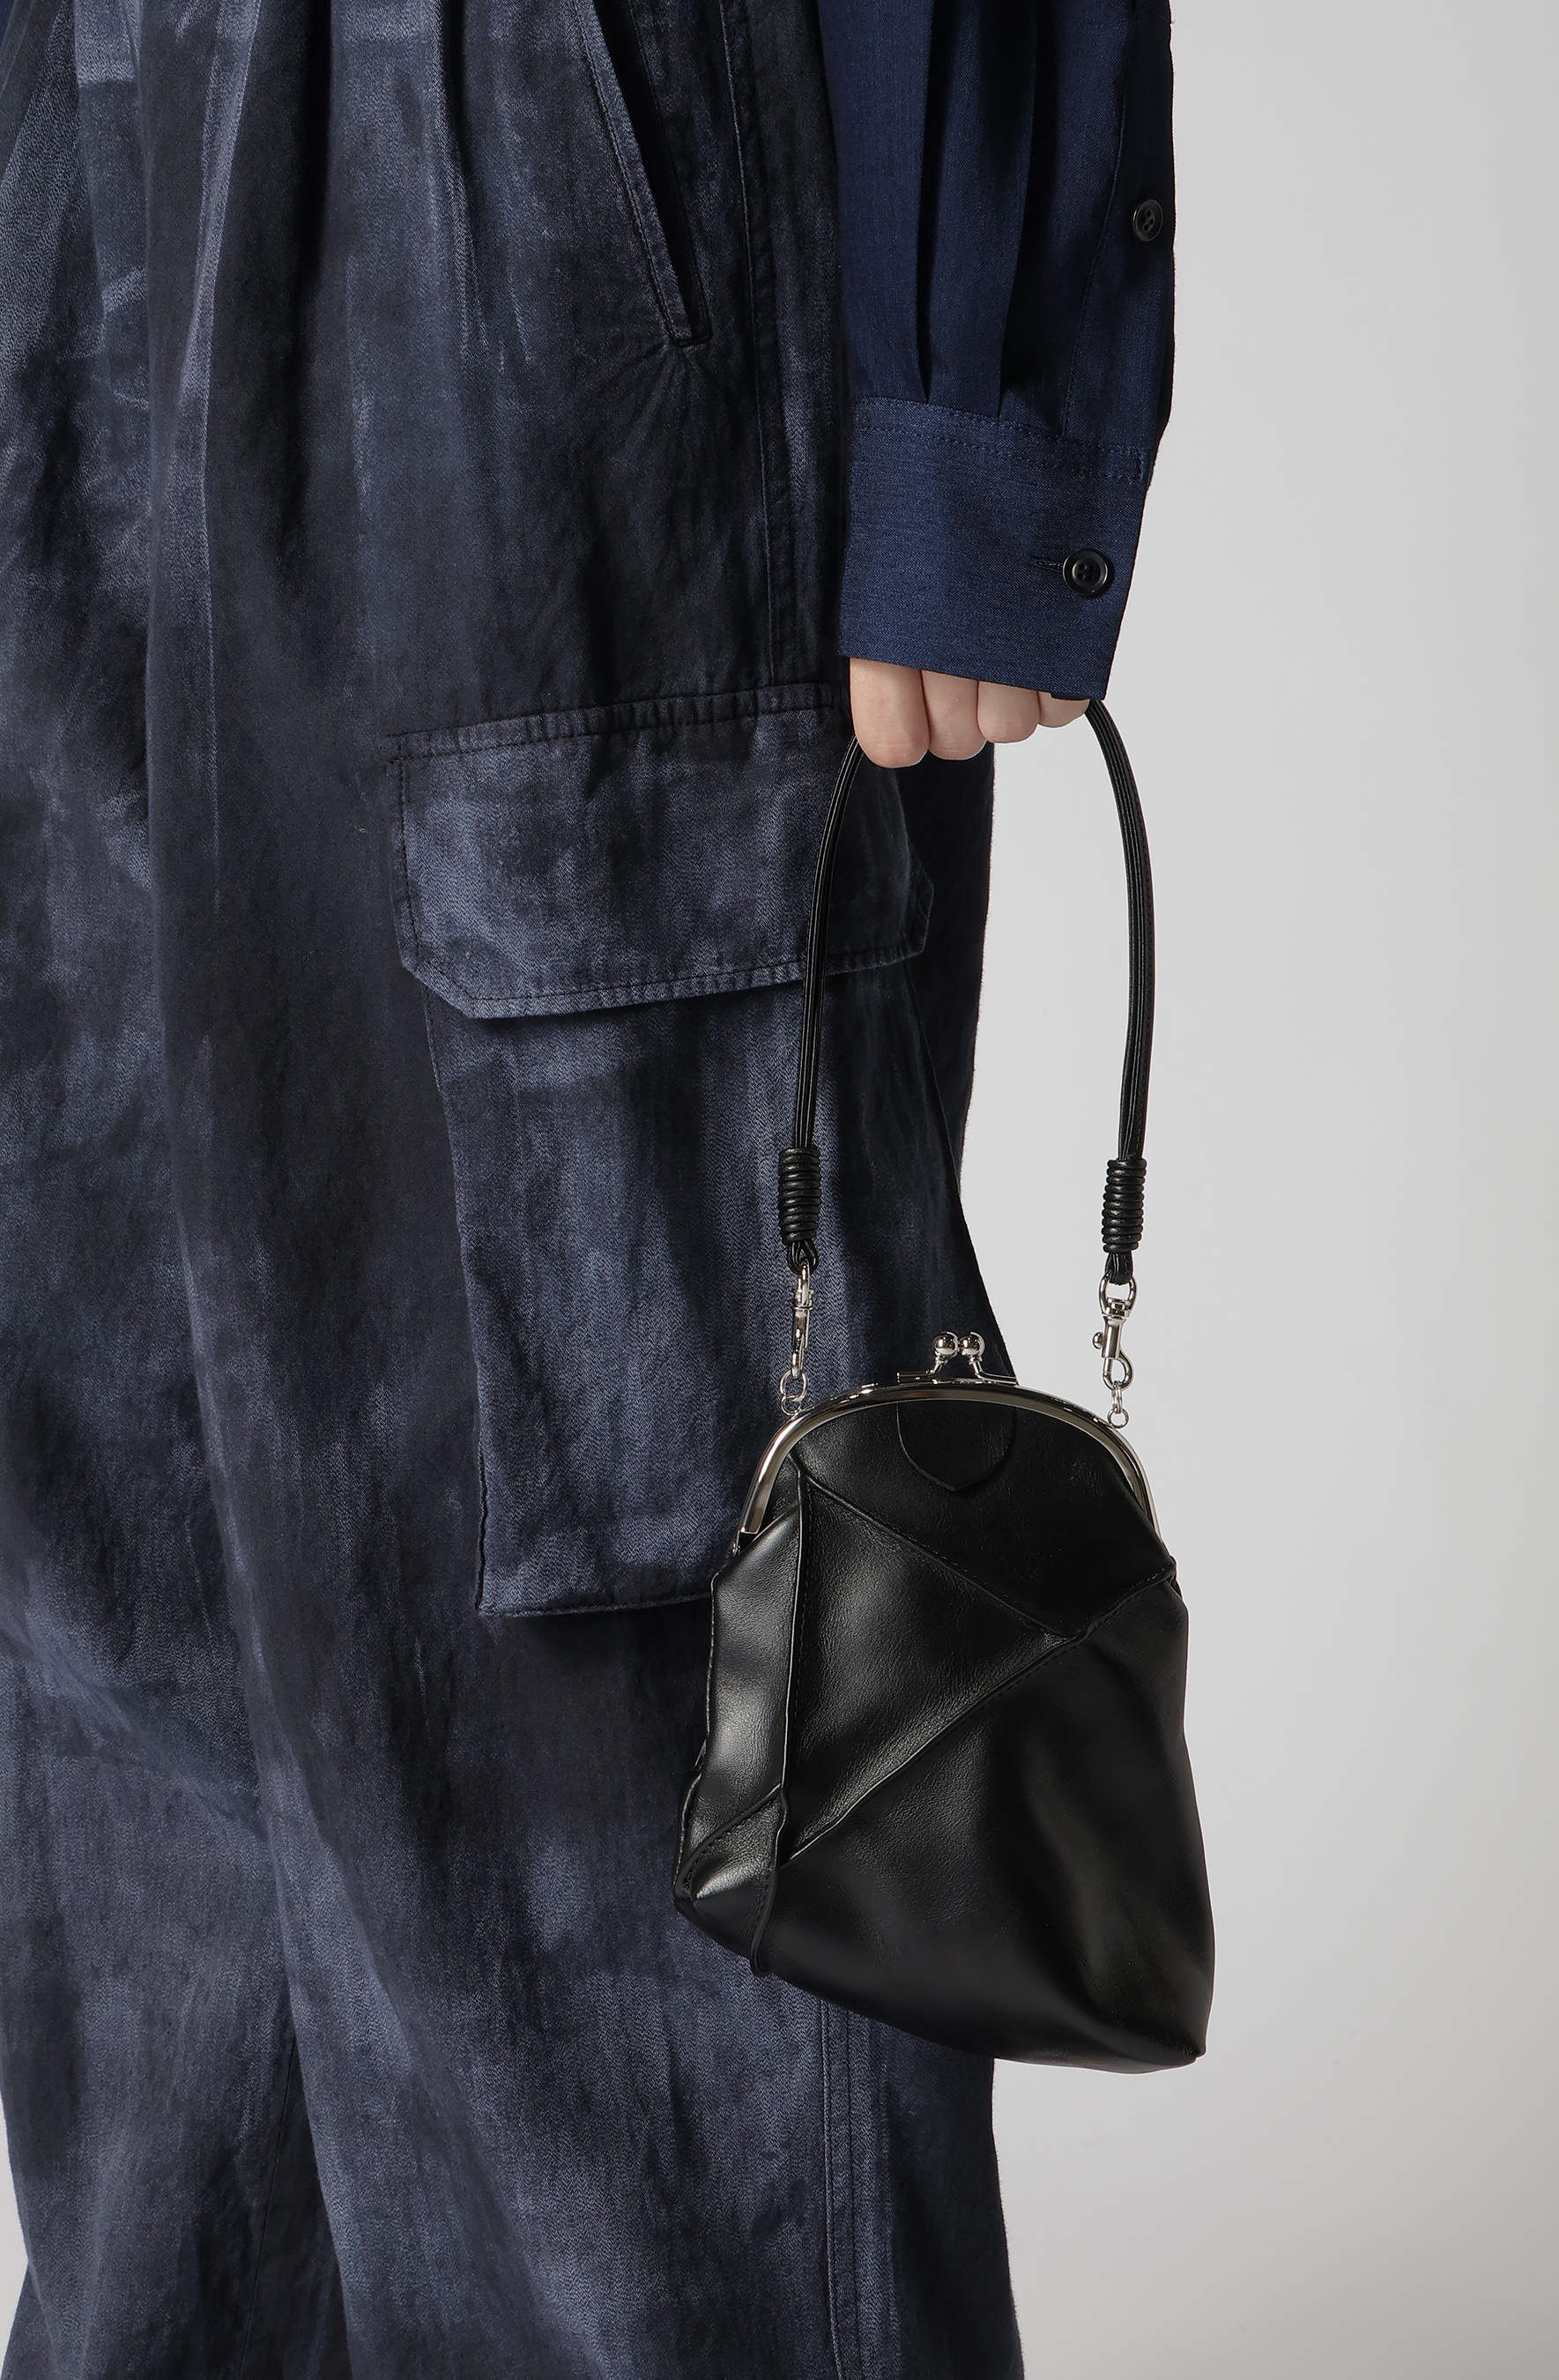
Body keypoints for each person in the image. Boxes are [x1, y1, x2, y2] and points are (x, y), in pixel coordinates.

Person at [0, 0, 1174, 2368]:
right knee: (122, 1662)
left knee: (637, 1750)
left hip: (526, 175)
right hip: (55, 136)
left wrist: (974, 382)